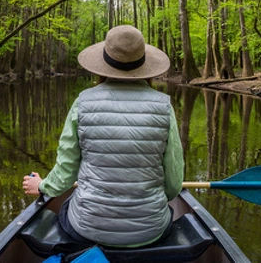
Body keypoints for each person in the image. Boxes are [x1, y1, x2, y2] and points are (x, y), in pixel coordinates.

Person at [22, 25, 184, 247]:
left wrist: (42, 186)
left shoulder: (83, 103)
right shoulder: (164, 107)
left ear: (103, 65)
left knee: (68, 208)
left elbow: (66, 174)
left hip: (88, 228)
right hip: (150, 230)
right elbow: (174, 183)